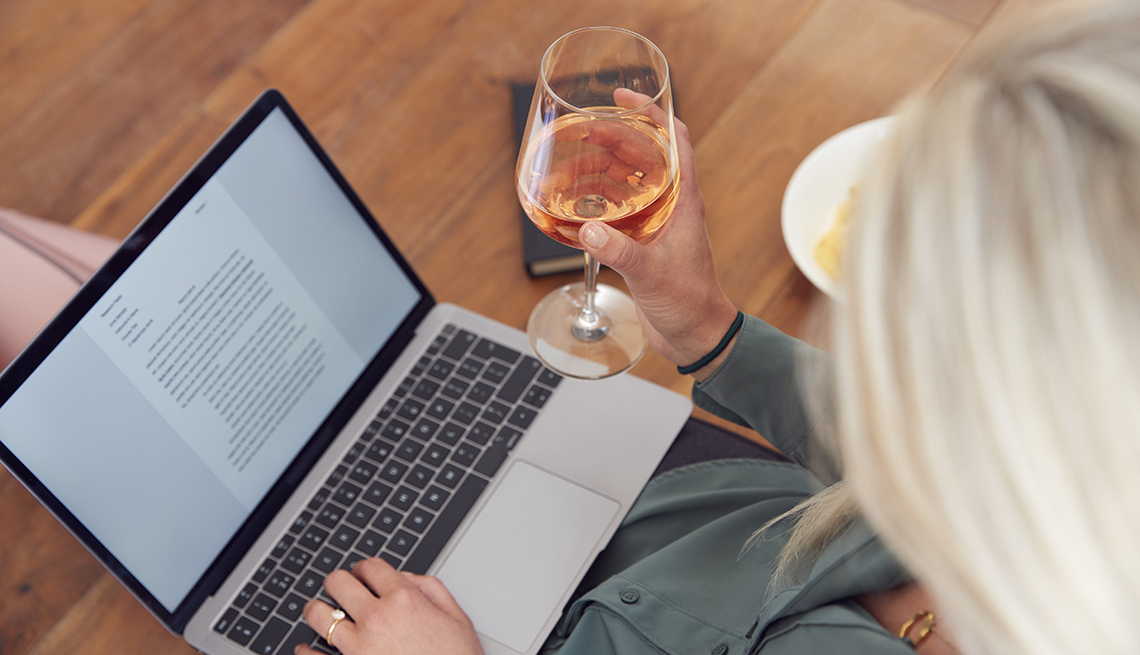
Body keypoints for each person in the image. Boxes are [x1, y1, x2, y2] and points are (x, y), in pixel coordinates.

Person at [4, 2, 1137, 653]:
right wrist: (704, 323)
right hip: (651, 497)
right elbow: (899, 449)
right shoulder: (1071, 488)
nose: (877, 363)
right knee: (161, 309)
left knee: (88, 340)